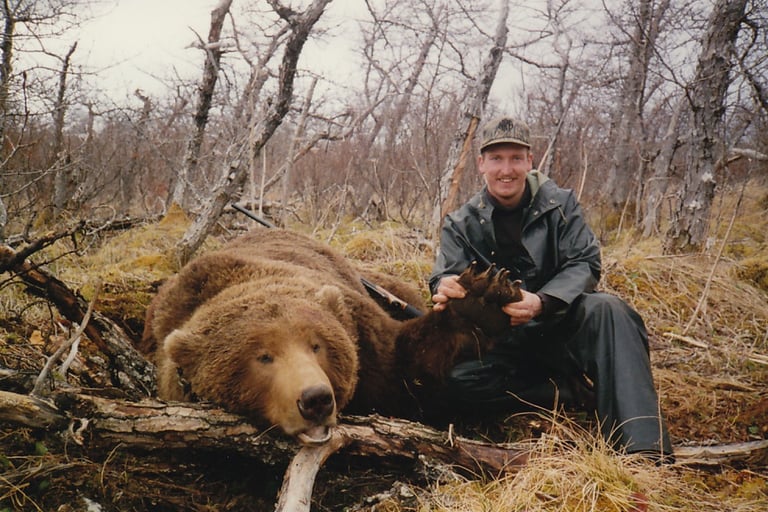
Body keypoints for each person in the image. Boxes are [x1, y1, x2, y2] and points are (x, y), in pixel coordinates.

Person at [430, 115, 673, 460]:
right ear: (481, 164)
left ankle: (643, 447)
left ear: (530, 161)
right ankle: (563, 393)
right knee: (454, 379)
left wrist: (542, 301)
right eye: (496, 159)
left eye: (516, 158)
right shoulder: (460, 224)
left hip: (560, 327)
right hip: (503, 344)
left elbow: (586, 263)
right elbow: (445, 277)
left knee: (610, 310)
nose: (506, 169)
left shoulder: (561, 205)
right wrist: (444, 286)